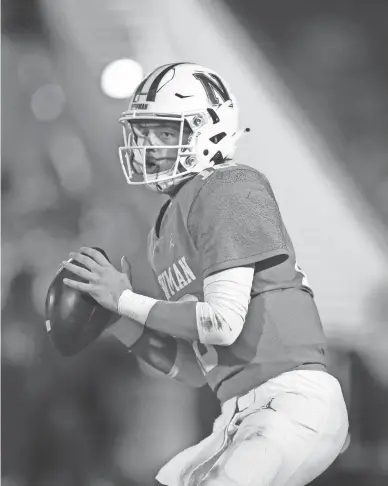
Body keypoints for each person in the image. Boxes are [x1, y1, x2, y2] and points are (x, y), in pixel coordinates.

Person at [62, 62, 349, 486]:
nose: (148, 145)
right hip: (239, 412)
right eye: (144, 133)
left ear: (208, 130)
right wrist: (120, 321)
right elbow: (197, 369)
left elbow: (222, 324)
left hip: (292, 399)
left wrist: (125, 299)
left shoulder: (227, 187)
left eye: (163, 131)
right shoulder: (162, 232)